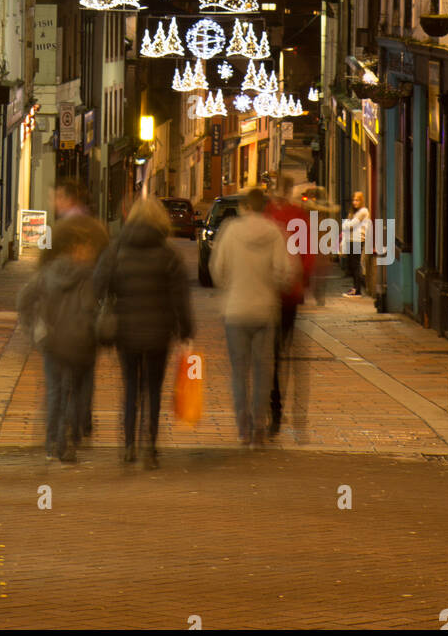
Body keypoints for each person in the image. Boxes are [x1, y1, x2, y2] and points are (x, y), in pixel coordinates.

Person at [93, 196, 192, 470]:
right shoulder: (168, 254)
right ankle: (151, 446)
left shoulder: (115, 250)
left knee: (130, 387)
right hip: (159, 331)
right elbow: (180, 295)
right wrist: (186, 329)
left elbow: (98, 285)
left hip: (125, 330)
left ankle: (128, 447)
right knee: (153, 389)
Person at [210, 188, 297, 449]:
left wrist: (230, 287)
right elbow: (287, 271)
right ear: (264, 207)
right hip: (264, 310)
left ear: (246, 206)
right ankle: (259, 426)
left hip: (235, 311)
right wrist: (272, 286)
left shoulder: (230, 231)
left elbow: (217, 269)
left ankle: (243, 428)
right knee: (262, 371)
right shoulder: (275, 232)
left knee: (239, 371)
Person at [17, 215, 106, 463]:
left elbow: (24, 300)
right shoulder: (90, 276)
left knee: (55, 391)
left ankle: (52, 442)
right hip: (79, 342)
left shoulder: (48, 273)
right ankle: (68, 440)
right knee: (75, 392)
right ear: (78, 248)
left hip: (52, 342)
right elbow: (96, 309)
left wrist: (34, 328)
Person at [264, 179, 311, 437]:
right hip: (289, 296)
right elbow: (309, 256)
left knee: (270, 355)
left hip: (269, 295)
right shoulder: (299, 216)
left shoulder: (267, 214)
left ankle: (274, 407)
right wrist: (302, 281)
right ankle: (278, 406)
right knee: (280, 353)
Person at [341, 192, 371, 297]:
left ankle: (357, 290)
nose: (354, 202)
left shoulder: (363, 211)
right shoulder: (355, 212)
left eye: (357, 200)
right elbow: (346, 224)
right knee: (353, 265)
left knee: (356, 265)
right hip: (352, 240)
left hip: (357, 240)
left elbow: (349, 225)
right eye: (353, 200)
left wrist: (346, 224)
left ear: (361, 201)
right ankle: (355, 288)